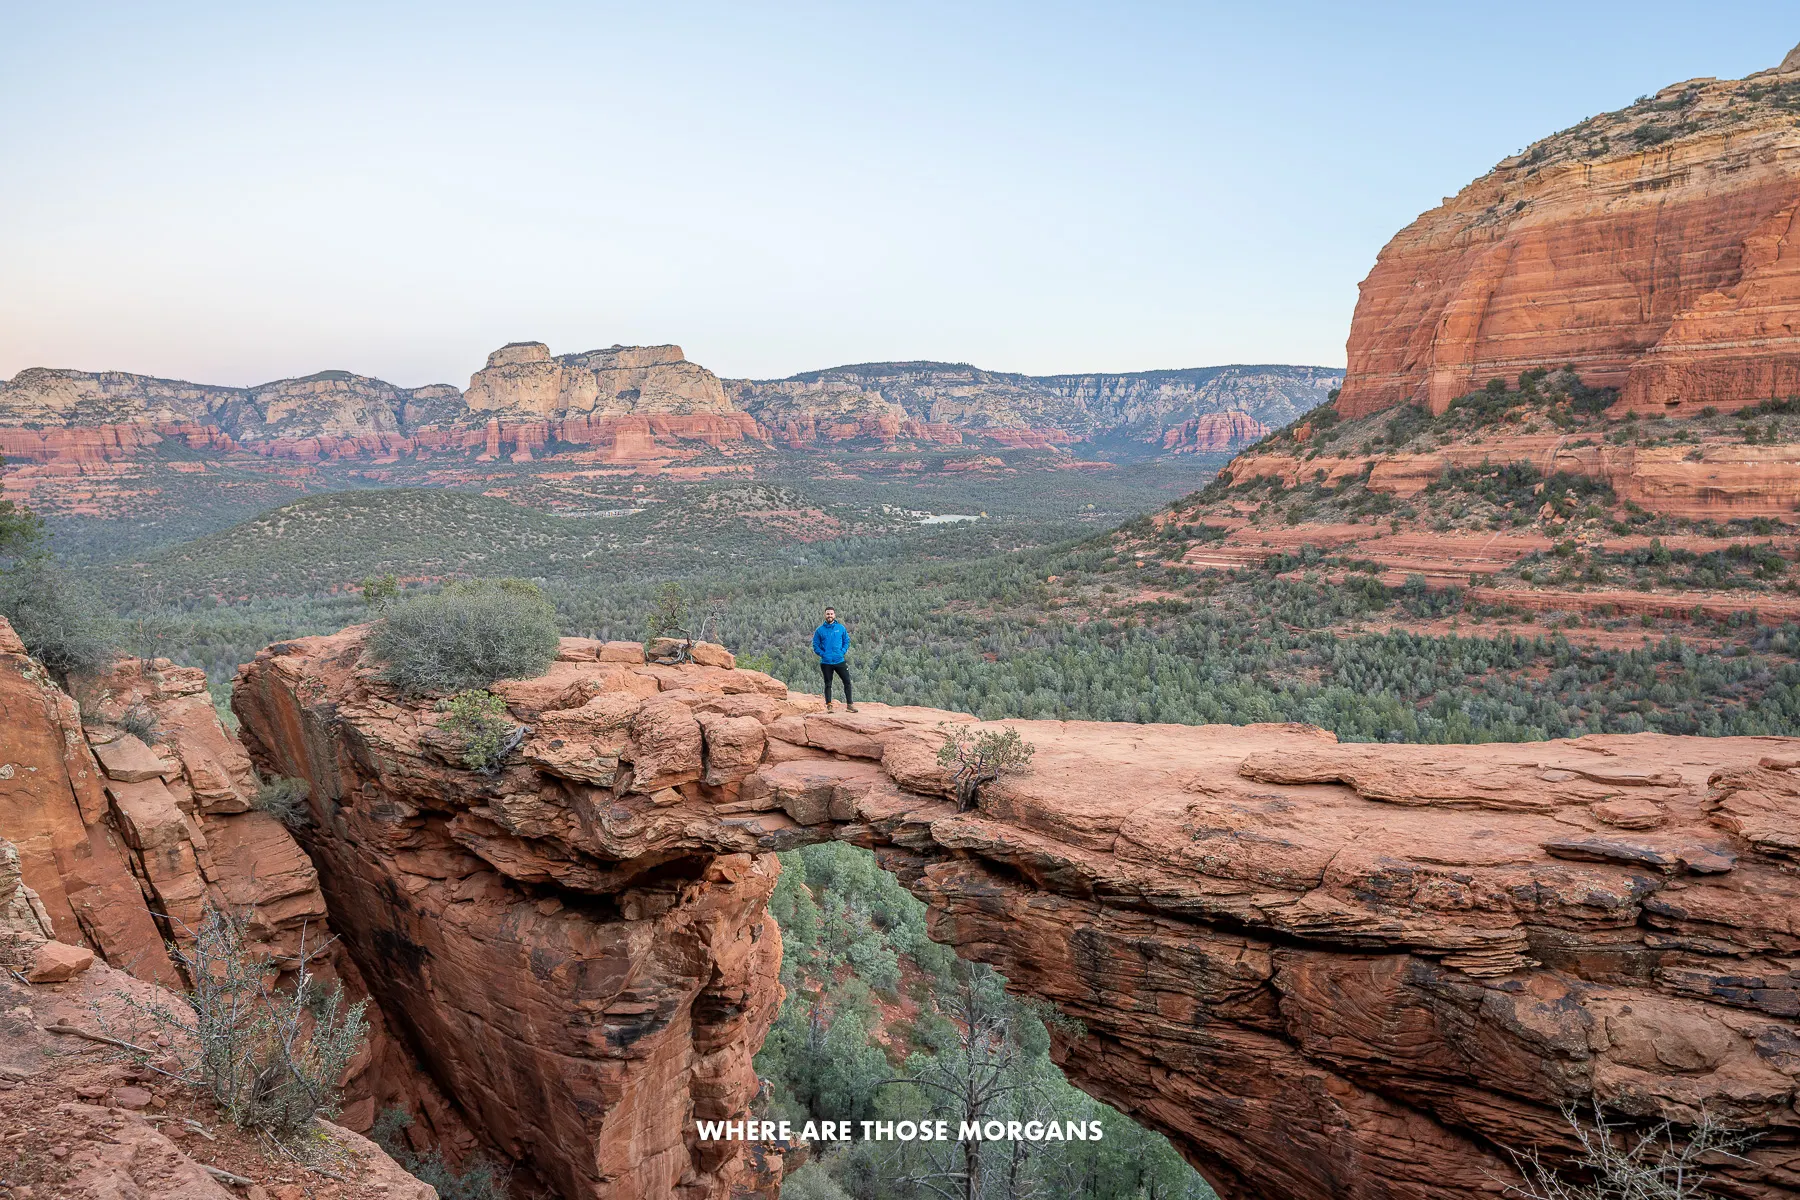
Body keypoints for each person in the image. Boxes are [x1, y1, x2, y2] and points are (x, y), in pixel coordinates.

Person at [811, 606, 856, 712]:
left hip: (839, 660)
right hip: (826, 662)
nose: (829, 616)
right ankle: (829, 706)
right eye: (827, 614)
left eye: (831, 614)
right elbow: (815, 645)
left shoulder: (840, 628)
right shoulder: (819, 630)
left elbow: (846, 640)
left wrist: (842, 651)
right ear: (825, 615)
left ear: (834, 615)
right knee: (828, 684)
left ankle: (849, 705)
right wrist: (823, 654)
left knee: (847, 682)